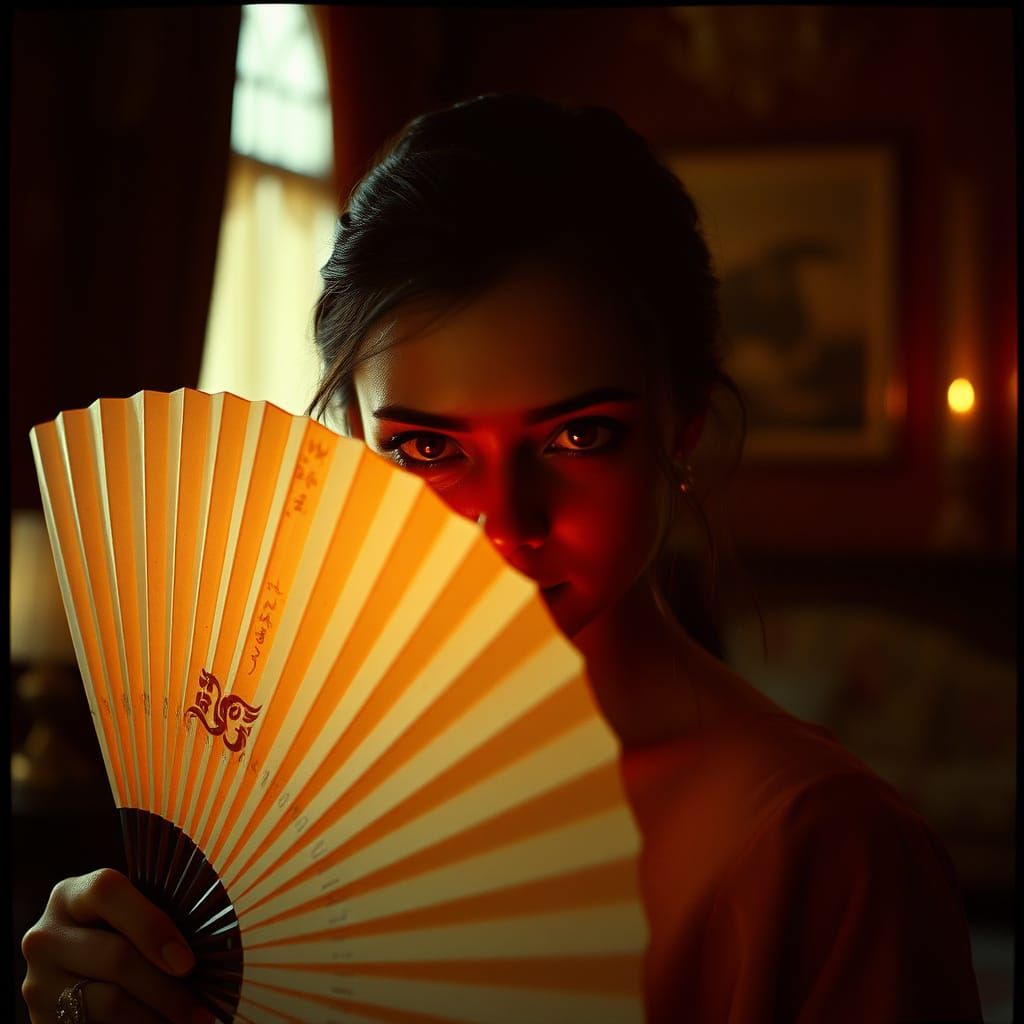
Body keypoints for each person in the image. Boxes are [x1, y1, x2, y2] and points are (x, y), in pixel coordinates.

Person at [22, 94, 982, 1024]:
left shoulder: (823, 853)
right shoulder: (251, 795)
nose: (502, 525)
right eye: (429, 448)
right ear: (352, 441)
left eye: (578, 437)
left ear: (681, 430)